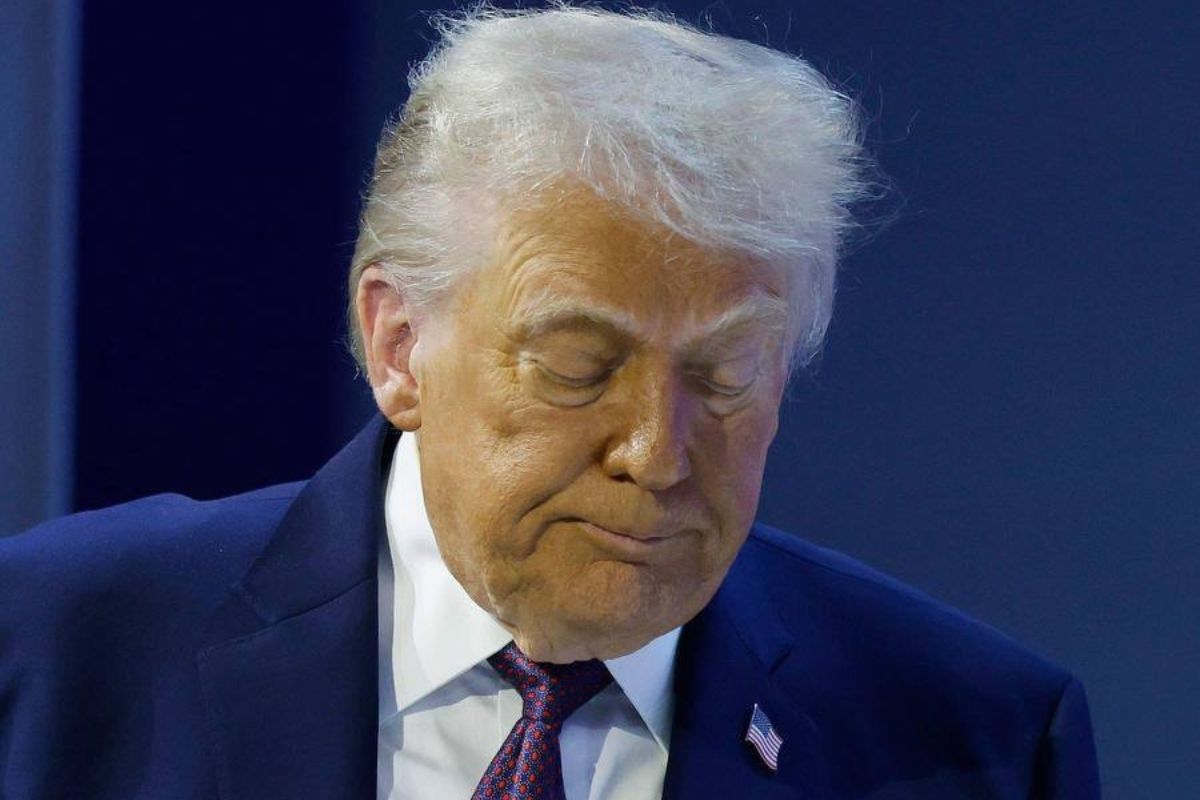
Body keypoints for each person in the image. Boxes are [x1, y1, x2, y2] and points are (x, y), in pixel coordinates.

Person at [0, 6, 1099, 799]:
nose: (657, 452)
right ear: (398, 345)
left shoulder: (981, 744)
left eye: (724, 375)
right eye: (577, 365)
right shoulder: (50, 651)